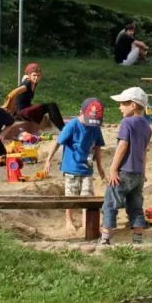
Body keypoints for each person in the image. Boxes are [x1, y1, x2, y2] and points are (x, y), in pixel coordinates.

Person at [43, 98, 107, 234]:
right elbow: (58, 142)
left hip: (87, 168)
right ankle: (69, 220)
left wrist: (100, 167)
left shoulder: (95, 127)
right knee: (71, 195)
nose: (91, 123)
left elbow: (98, 147)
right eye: (89, 120)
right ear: (81, 112)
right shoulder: (72, 126)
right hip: (71, 167)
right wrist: (48, 160)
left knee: (87, 196)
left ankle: (85, 221)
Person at [101, 87, 152, 245]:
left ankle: (105, 238)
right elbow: (144, 151)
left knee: (110, 203)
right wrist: (143, 172)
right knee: (135, 205)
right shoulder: (147, 126)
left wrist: (113, 168)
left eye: (123, 104)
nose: (120, 107)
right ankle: (137, 238)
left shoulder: (127, 122)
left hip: (123, 172)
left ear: (133, 105)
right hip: (138, 173)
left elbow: (123, 146)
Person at [4, 63, 66, 130]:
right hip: (21, 112)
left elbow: (24, 76)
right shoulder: (27, 84)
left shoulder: (33, 81)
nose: (36, 78)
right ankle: (64, 130)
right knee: (51, 106)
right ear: (29, 75)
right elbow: (13, 93)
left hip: (27, 108)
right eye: (34, 75)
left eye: (38, 75)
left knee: (51, 106)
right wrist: (6, 105)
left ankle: (63, 129)